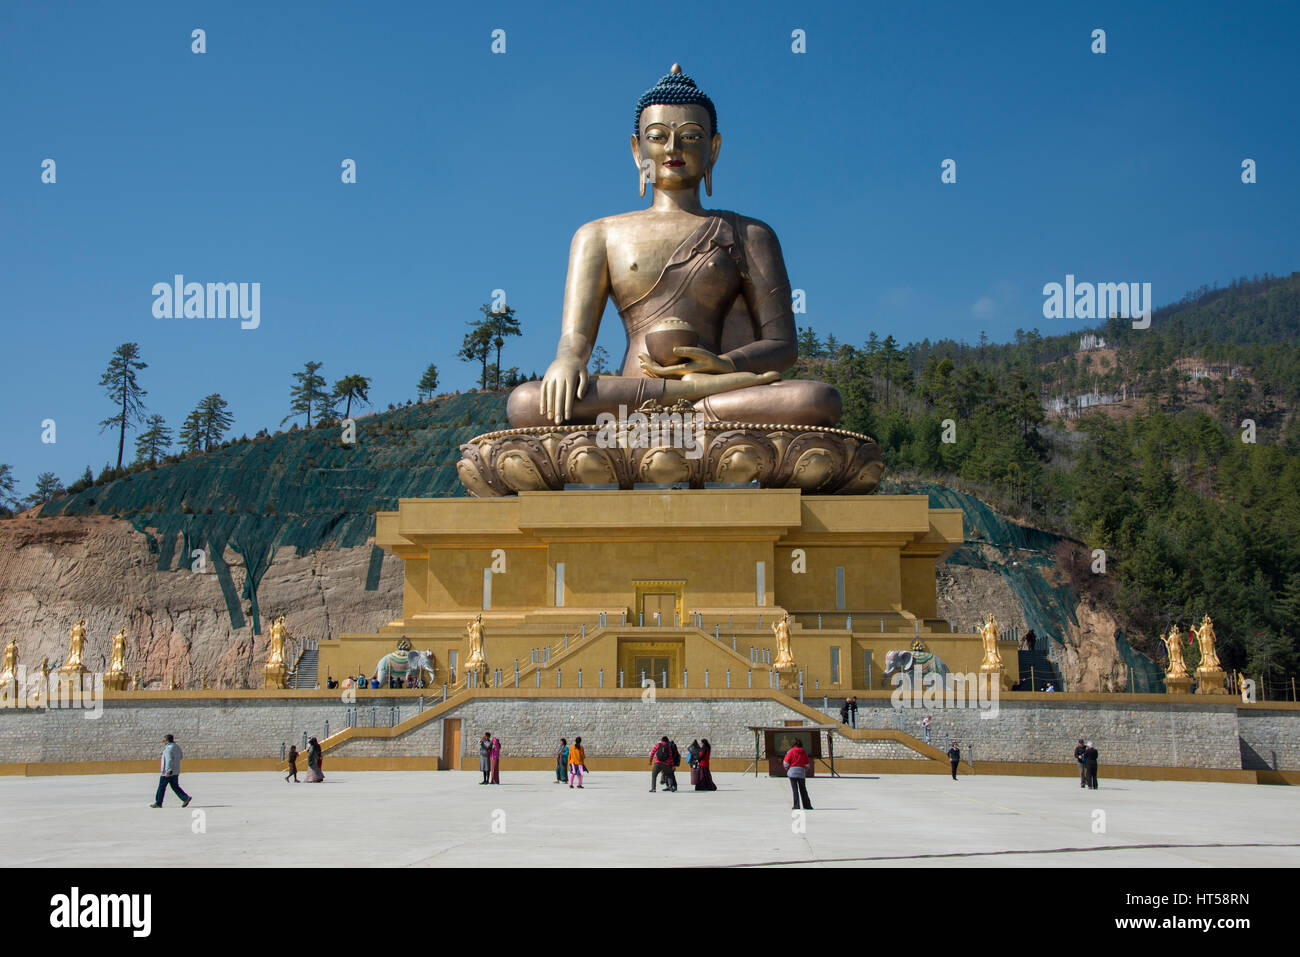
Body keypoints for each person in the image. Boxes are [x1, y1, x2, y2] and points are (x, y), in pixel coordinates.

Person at [151, 734, 192, 807]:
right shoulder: (177, 747)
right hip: (176, 771)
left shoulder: (168, 748)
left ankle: (158, 803)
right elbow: (181, 756)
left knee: (161, 787)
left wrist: (168, 771)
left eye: (164, 740)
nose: (163, 741)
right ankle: (185, 798)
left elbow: (169, 760)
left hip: (168, 772)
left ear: (167, 740)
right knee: (175, 786)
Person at [783, 738, 812, 810]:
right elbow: (807, 765)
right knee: (803, 789)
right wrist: (804, 769)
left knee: (795, 790)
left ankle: (796, 805)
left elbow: (785, 763)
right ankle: (807, 806)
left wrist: (788, 769)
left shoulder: (790, 751)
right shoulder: (804, 752)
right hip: (801, 772)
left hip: (792, 772)